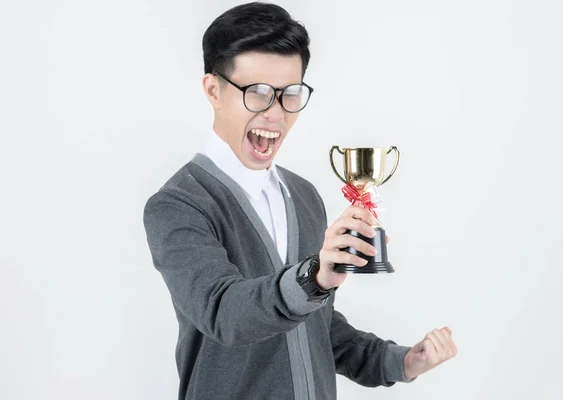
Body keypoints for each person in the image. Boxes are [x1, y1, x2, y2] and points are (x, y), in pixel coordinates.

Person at [143, 2, 457, 399]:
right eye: (257, 93)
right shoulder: (178, 204)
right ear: (213, 90)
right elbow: (224, 312)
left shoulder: (303, 194)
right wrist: (315, 276)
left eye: (290, 93)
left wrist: (399, 361)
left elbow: (316, 324)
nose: (276, 113)